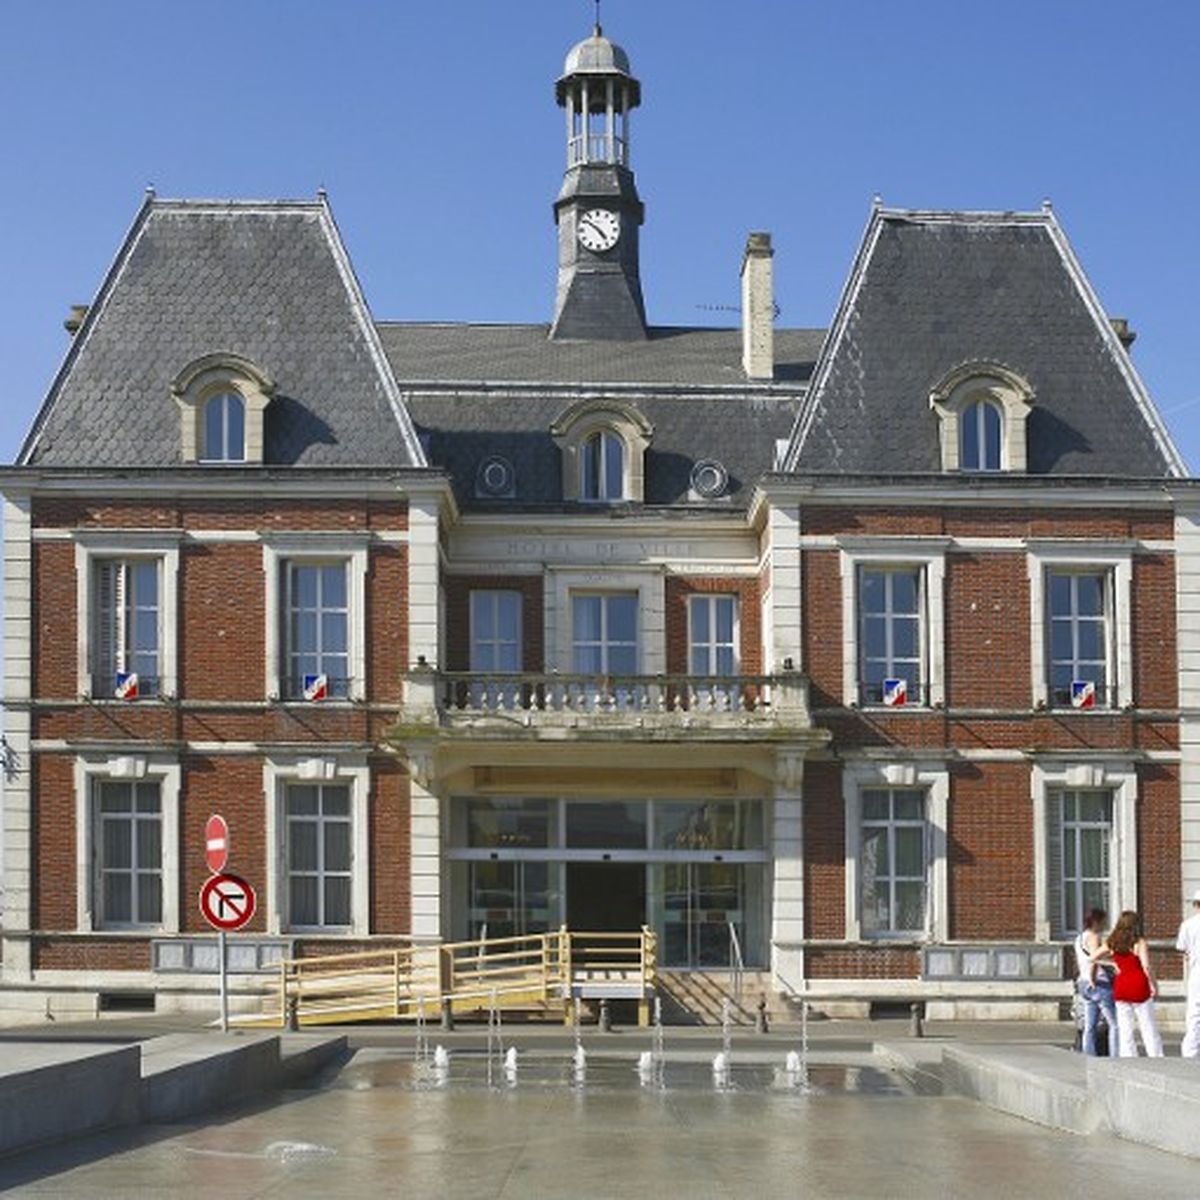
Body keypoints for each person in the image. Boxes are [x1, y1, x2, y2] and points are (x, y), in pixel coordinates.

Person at [1092, 910, 1163, 1057]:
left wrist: (1112, 964)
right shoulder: (1139, 942)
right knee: (1148, 1026)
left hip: (1121, 986)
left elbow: (1092, 957)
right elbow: (1147, 967)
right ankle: (1155, 1056)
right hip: (1139, 986)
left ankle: (1129, 1056)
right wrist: (1154, 985)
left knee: (1125, 1028)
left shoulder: (1112, 942)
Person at [1074, 907, 1116, 1056]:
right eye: (1103, 921)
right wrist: (1113, 963)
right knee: (1114, 1024)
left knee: (1089, 1025)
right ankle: (1115, 1055)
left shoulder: (1079, 938)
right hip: (1098, 982)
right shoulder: (1094, 937)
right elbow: (1095, 958)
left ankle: (1088, 1054)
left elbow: (1082, 961)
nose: (1104, 924)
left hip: (1083, 982)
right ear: (1096, 921)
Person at [1177, 888, 1200, 1059]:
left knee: (1195, 1014)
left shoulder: (1188, 925)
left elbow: (1182, 949)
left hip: (1196, 973)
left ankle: (1190, 1052)